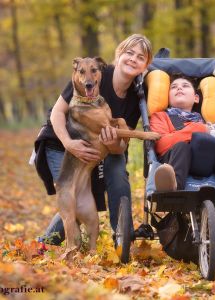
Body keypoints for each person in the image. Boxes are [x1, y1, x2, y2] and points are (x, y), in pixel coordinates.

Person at [37, 34, 153, 245]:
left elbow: (121, 147)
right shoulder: (92, 73)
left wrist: (113, 144)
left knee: (118, 171)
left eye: (140, 57)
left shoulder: (138, 95)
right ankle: (45, 243)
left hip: (98, 145)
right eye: (129, 53)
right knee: (72, 195)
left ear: (146, 65)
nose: (133, 59)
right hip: (60, 141)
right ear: (118, 54)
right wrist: (69, 144)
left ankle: (122, 238)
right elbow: (57, 113)